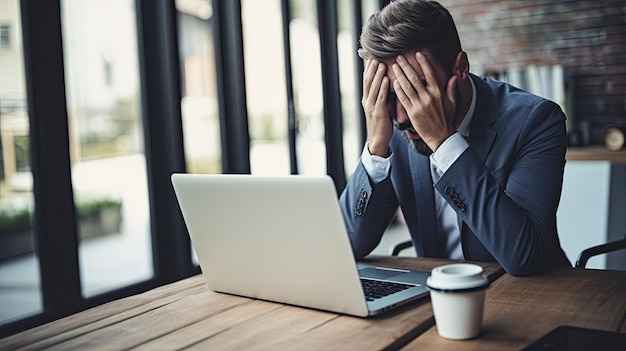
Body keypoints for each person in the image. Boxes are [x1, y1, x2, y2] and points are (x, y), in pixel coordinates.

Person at [339, 0, 572, 276]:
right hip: (435, 297)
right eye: (390, 96)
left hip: (535, 296)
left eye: (417, 91)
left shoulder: (536, 121)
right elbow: (347, 245)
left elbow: (522, 255)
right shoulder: (393, 131)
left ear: (460, 67)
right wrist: (376, 148)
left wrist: (445, 142)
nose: (402, 117)